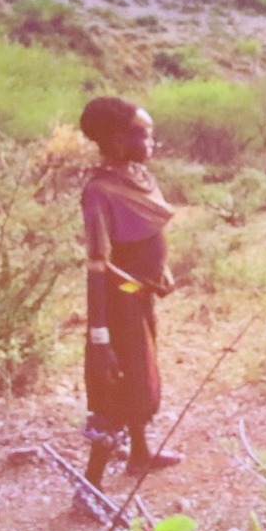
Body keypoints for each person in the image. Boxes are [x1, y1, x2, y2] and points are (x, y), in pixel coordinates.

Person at [77, 96, 183, 497]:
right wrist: (100, 337)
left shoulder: (138, 177)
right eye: (143, 134)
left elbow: (147, 237)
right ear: (118, 140)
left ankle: (139, 453)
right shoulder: (99, 191)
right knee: (116, 385)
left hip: (140, 297)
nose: (151, 142)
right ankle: (90, 486)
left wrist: (161, 272)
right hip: (117, 304)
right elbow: (98, 266)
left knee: (141, 376)